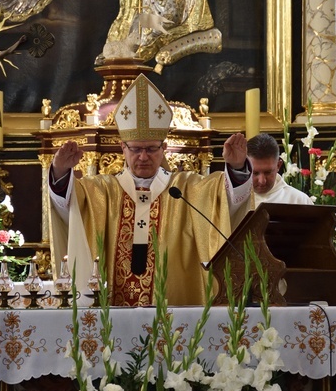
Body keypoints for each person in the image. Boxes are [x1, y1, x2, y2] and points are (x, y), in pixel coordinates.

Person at [49, 74, 251, 306]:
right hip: (111, 312)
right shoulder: (102, 191)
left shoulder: (186, 189)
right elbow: (69, 208)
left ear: (164, 147)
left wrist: (236, 168)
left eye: (151, 149)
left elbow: (224, 201)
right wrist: (60, 171)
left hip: (173, 311)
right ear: (123, 147)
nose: (143, 156)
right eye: (135, 149)